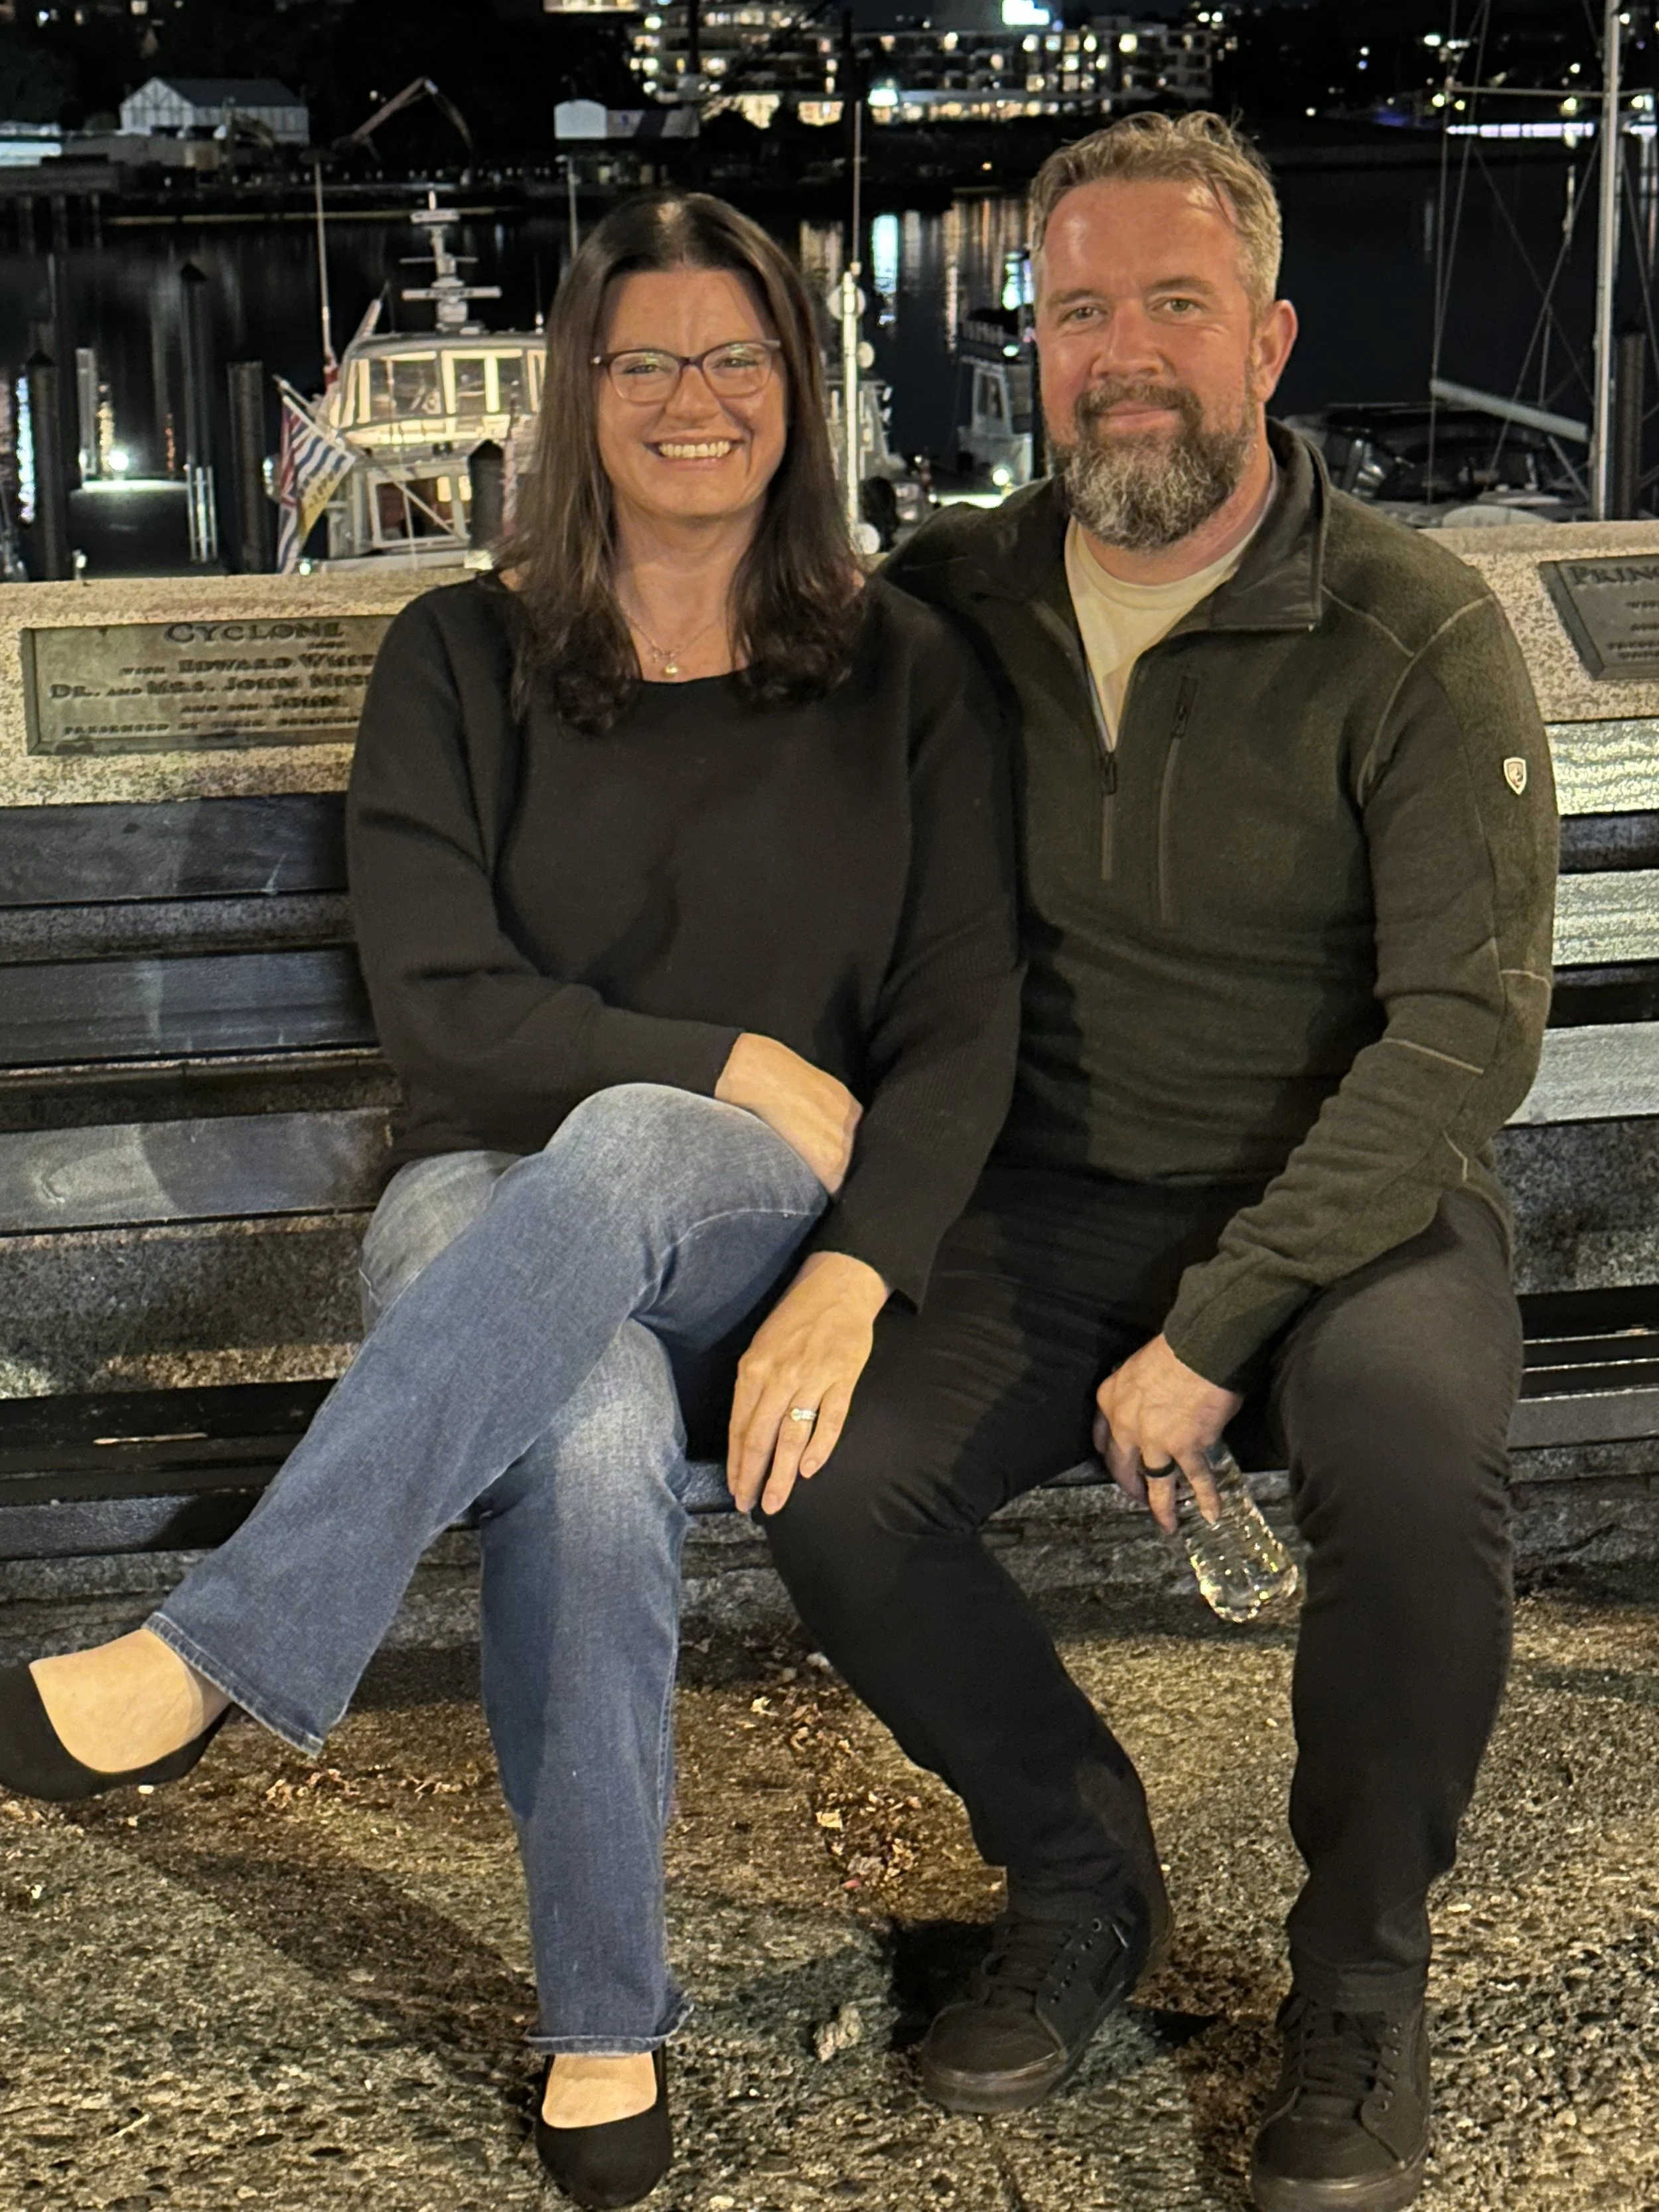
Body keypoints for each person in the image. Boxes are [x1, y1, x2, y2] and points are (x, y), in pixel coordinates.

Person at [0, 194, 1021, 2211]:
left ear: (798, 392)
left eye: (735, 357)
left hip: (754, 1222)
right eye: (642, 359)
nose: (691, 399)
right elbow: (448, 1016)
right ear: (577, 394)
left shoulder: (904, 668)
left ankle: (216, 1653)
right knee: (598, 1417)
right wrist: (720, 1053)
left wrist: (856, 1268)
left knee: (637, 1152)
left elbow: (964, 1017)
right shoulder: (457, 653)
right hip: (481, 1194)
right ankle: (604, 2024)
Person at [762, 113, 1558, 2212]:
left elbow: (1462, 1032)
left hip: (1348, 1207)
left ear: (1270, 338)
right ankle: (1074, 1862)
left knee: (1404, 1464)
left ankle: (1359, 1983)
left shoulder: (1403, 629)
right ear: (1035, 349)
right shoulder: (950, 604)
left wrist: (1220, 1322)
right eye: (1083, 309)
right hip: (1036, 1204)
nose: (1125, 353)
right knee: (829, 1472)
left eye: (1174, 306)